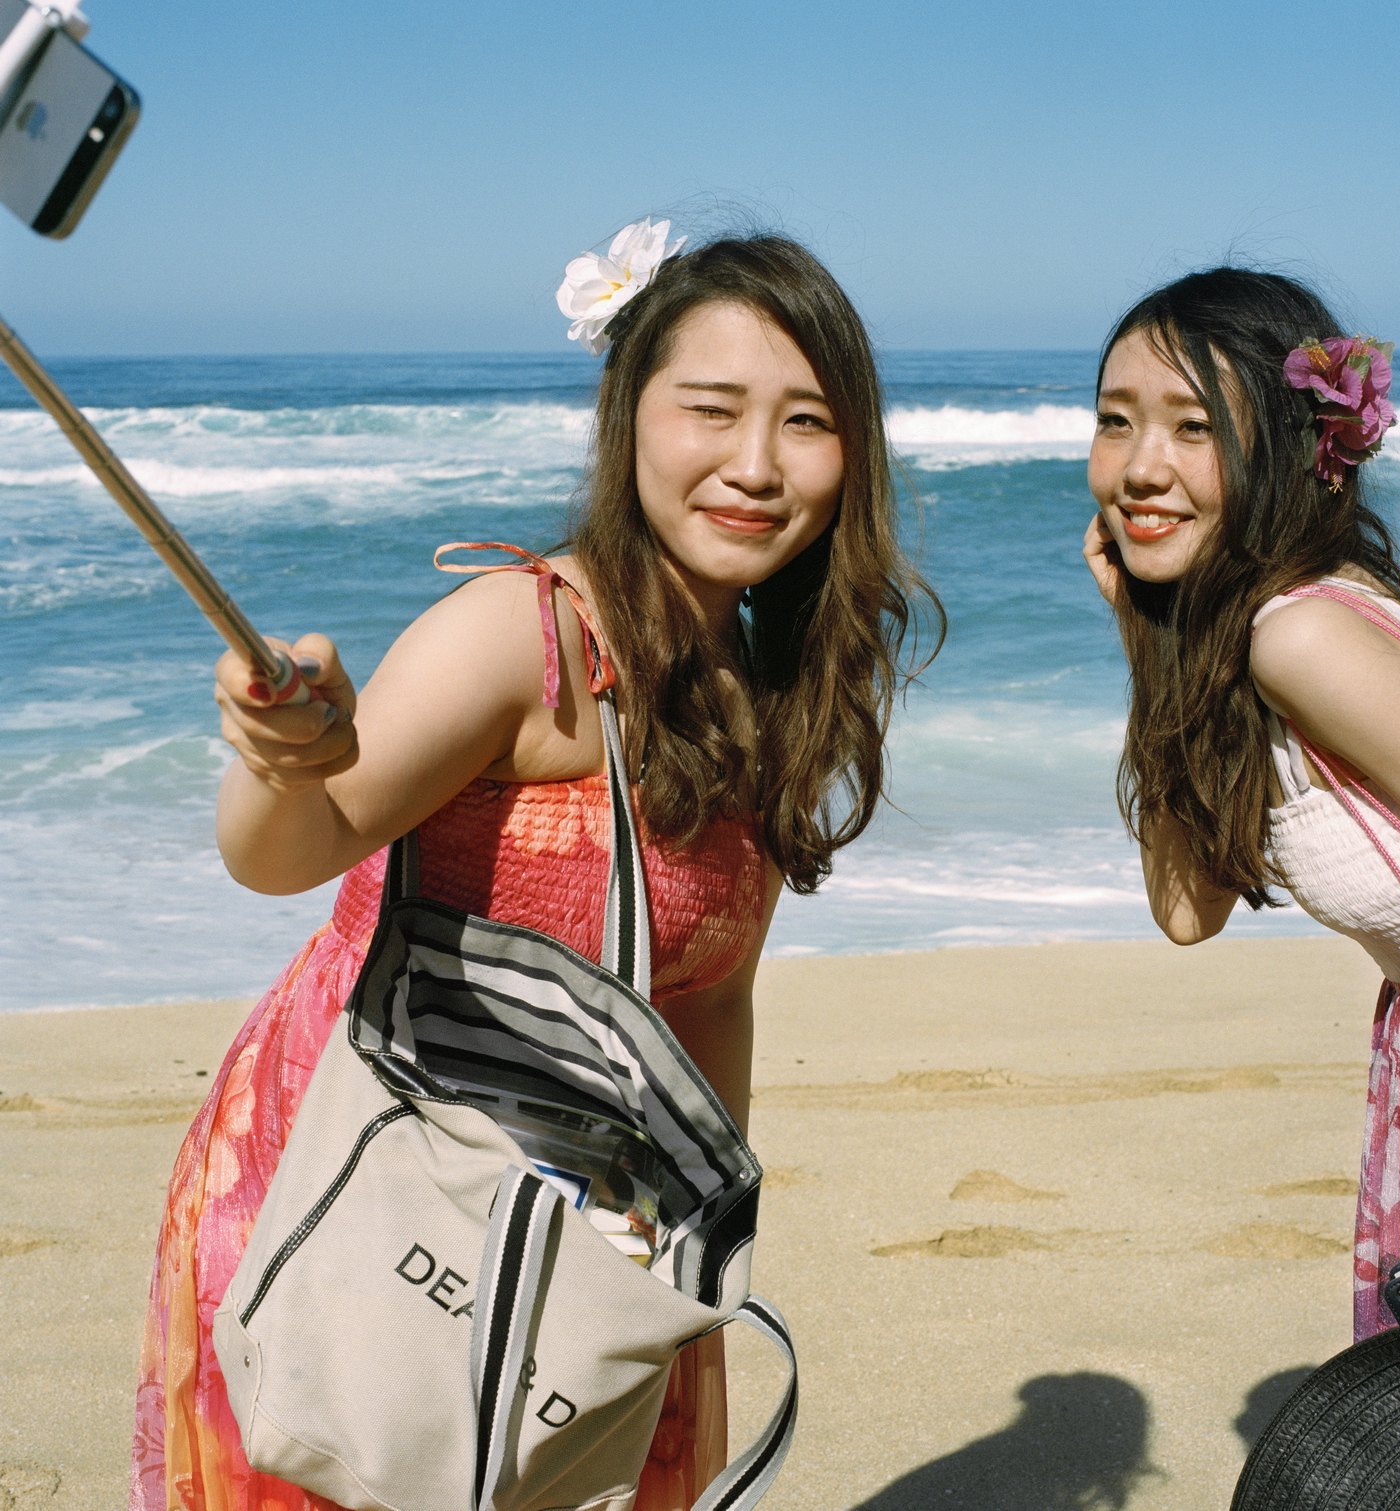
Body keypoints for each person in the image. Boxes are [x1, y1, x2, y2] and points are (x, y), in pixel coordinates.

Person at [130, 222, 940, 1511]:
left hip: (595, 1217)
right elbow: (286, 851)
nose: (753, 465)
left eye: (805, 422)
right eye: (710, 410)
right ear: (628, 417)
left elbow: (711, 996)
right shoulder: (525, 636)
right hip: (377, 1179)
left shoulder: (768, 684)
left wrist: (692, 1258)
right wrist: (288, 756)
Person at [1080, 266, 1400, 1345]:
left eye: (1192, 428)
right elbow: (1186, 908)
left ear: (1288, 448)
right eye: (1115, 421)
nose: (1138, 467)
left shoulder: (1300, 634)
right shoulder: (1253, 640)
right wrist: (1149, 641)